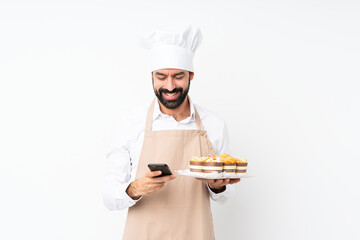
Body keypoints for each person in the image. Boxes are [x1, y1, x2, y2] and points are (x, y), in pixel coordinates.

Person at [103, 25, 241, 240]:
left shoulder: (214, 125)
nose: (169, 86)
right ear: (151, 76)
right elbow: (109, 196)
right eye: (161, 77)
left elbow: (227, 197)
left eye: (178, 76)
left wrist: (217, 187)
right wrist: (135, 188)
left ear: (191, 76)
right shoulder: (130, 123)